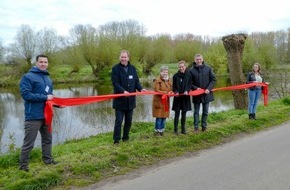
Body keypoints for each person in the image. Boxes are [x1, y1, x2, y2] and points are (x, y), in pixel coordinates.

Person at [19, 54, 57, 172]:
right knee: (28, 143)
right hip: (33, 116)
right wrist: (45, 97)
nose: (43, 64)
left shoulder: (47, 78)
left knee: (47, 139)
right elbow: (26, 95)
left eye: (45, 62)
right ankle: (23, 167)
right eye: (41, 62)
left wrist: (59, 105)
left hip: (46, 115)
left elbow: (50, 99)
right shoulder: (28, 77)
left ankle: (48, 160)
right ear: (36, 63)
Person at [111, 50, 147, 144]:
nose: (123, 59)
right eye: (122, 57)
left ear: (128, 58)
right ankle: (116, 140)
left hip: (130, 101)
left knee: (128, 121)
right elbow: (115, 83)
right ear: (120, 58)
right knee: (118, 121)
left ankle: (125, 138)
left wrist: (141, 89)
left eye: (125, 57)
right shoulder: (115, 69)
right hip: (119, 101)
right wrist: (123, 91)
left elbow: (136, 82)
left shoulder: (132, 68)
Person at [189, 54, 216, 133]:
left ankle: (204, 127)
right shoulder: (191, 70)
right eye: (197, 59)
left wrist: (208, 89)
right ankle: (196, 128)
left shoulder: (208, 68)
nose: (198, 61)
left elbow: (213, 79)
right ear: (194, 60)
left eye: (200, 59)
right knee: (196, 112)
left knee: (205, 111)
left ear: (202, 59)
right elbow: (189, 83)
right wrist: (196, 88)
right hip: (196, 94)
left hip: (206, 94)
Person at [172, 61, 192, 135]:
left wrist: (187, 90)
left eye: (182, 67)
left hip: (185, 97)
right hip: (177, 98)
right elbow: (173, 87)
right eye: (180, 67)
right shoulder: (175, 76)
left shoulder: (189, 75)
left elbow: (190, 85)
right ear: (178, 67)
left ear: (185, 67)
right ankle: (175, 130)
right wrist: (176, 91)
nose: (181, 68)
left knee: (184, 114)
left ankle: (183, 129)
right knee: (177, 114)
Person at [152, 66, 173, 136]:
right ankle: (157, 131)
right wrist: (166, 92)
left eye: (166, 72)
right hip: (159, 101)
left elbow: (171, 89)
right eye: (163, 72)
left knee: (164, 116)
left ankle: (162, 131)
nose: (165, 73)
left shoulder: (169, 80)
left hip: (166, 101)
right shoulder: (157, 80)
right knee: (159, 117)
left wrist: (171, 92)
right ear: (160, 72)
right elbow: (156, 90)